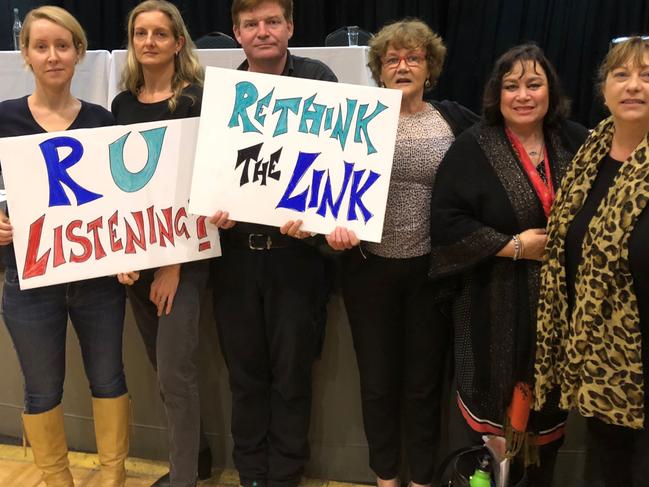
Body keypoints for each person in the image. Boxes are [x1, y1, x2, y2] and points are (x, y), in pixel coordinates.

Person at [325, 19, 477, 487]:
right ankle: (386, 477)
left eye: (413, 57)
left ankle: (423, 479)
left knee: (423, 385)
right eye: (392, 58)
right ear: (378, 68)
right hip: (368, 270)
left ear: (430, 66)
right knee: (376, 384)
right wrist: (328, 227)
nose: (403, 65)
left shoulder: (453, 119)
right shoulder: (353, 120)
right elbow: (321, 182)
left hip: (430, 273)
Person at [429, 44, 588, 486]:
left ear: (550, 93)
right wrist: (512, 246)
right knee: (489, 438)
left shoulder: (578, 142)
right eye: (511, 85)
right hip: (489, 303)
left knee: (547, 425)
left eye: (534, 84)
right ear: (496, 94)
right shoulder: (471, 147)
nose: (523, 95)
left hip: (559, 310)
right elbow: (445, 222)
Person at [208, 1, 337, 486]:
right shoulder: (221, 95)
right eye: (251, 24)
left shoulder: (319, 81)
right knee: (245, 378)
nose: (262, 32)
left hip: (297, 261)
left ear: (290, 27)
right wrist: (212, 212)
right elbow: (211, 174)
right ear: (237, 33)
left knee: (292, 377)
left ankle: (285, 474)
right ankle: (251, 474)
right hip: (237, 261)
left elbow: (336, 167)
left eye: (272, 22)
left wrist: (324, 220)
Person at [0, 6, 129, 487]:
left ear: (78, 53)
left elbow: (122, 201)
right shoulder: (3, 118)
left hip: (97, 282)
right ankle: (57, 480)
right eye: (41, 46)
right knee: (41, 390)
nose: (52, 56)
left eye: (62, 45)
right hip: (28, 282)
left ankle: (113, 476)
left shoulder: (100, 119)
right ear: (26, 56)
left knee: (110, 379)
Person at [534, 36, 649, 487]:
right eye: (621, 75)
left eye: (646, 75)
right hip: (604, 359)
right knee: (611, 467)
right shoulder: (589, 154)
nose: (633, 86)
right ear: (604, 90)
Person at [111, 1, 210, 486]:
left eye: (159, 33)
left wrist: (173, 266)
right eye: (140, 33)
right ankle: (202, 457)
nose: (148, 41)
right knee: (162, 370)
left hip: (184, 261)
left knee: (175, 374)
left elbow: (202, 184)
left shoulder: (196, 100)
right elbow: (119, 190)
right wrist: (123, 256)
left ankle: (185, 478)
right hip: (138, 258)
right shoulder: (121, 105)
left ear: (177, 42)